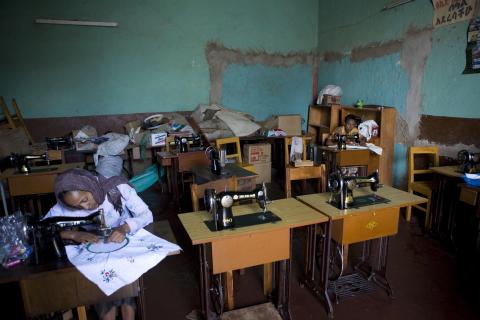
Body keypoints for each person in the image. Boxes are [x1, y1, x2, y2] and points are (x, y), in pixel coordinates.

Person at [44, 168, 153, 320]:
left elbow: (146, 215)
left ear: (90, 186)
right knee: (102, 287)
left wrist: (125, 227)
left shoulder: (117, 188)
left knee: (125, 287)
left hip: (123, 245)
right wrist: (73, 234)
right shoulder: (66, 204)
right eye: (77, 207)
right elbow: (44, 228)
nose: (85, 207)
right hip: (98, 250)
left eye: (85, 200)